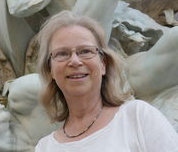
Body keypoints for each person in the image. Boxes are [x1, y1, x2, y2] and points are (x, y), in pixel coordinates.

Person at [34, 10, 178, 151]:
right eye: (62, 54)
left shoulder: (137, 117)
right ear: (50, 70)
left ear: (103, 64)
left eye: (85, 51)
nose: (75, 61)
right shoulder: (45, 147)